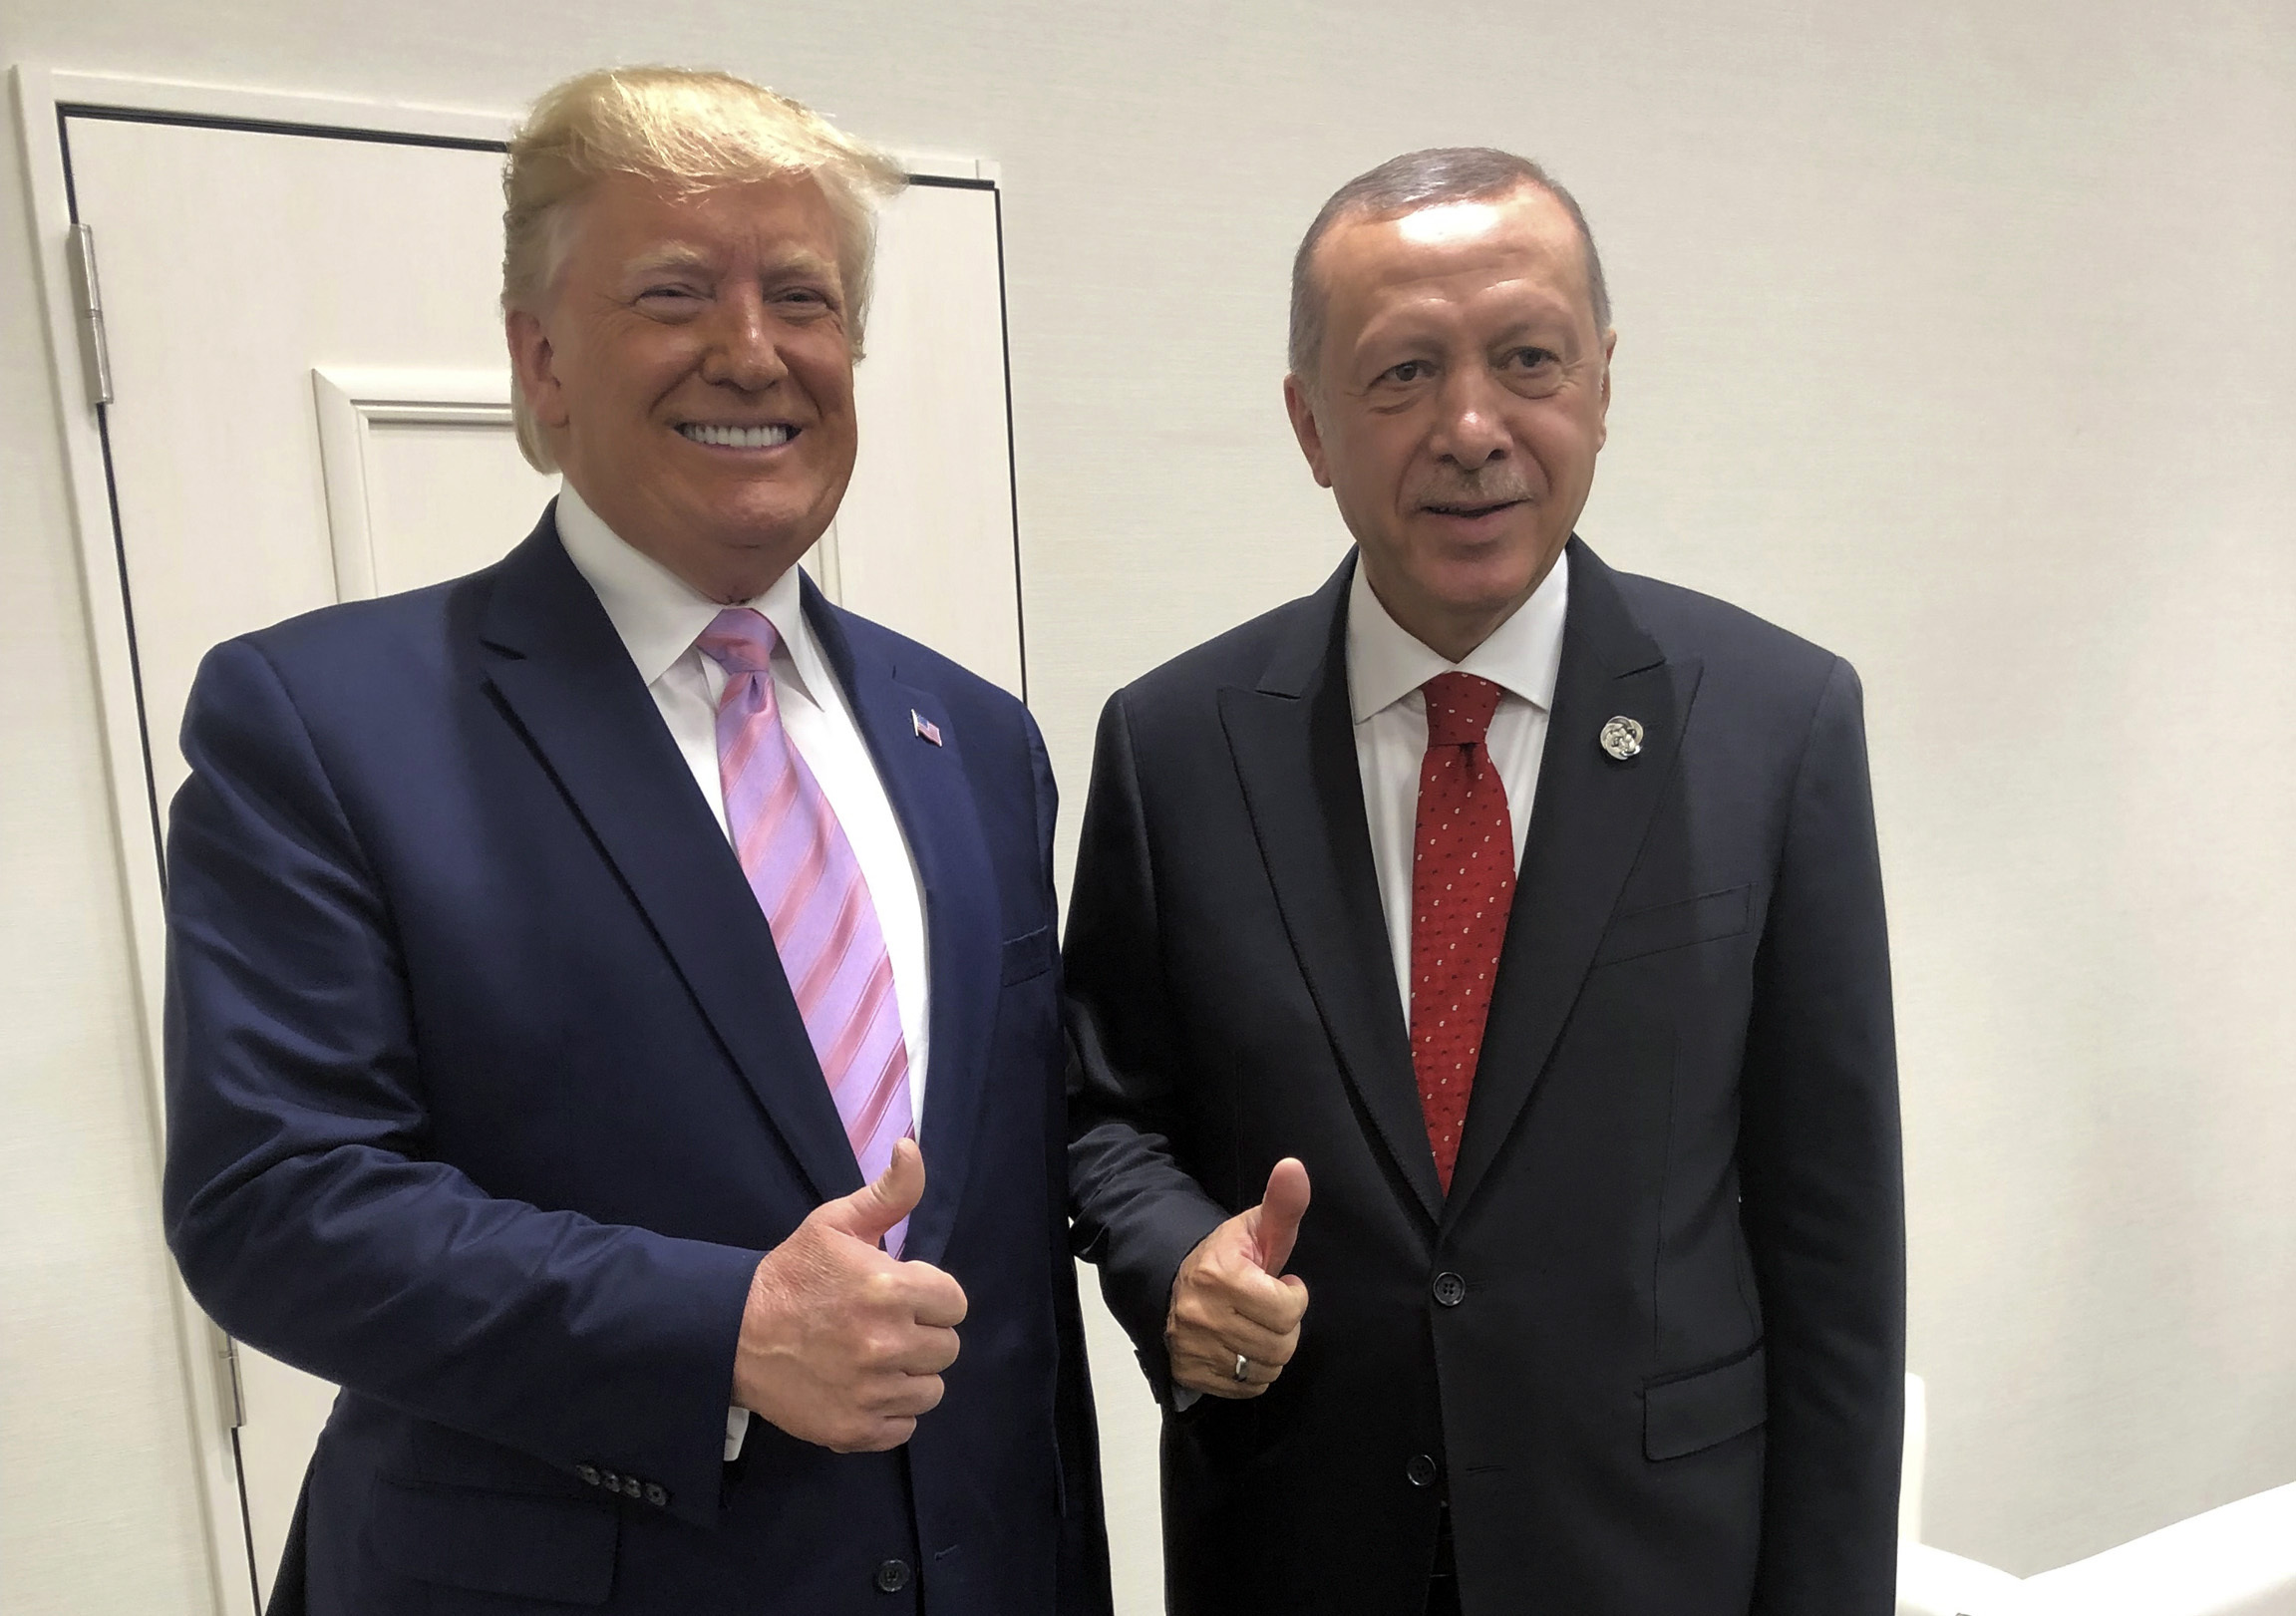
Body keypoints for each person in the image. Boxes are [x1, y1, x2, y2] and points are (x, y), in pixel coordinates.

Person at [163, 67, 1108, 1616]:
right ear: (540, 363)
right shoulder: (323, 723)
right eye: (675, 292)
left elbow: (1010, 1196)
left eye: (801, 296)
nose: (754, 349)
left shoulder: (977, 738)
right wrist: (725, 1326)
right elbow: (276, 1201)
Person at [1066, 148, 1903, 1616]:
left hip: (1654, 1558)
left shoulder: (1776, 725)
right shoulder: (1177, 745)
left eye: (1528, 359)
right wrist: (1175, 1261)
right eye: (1402, 374)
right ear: (1310, 425)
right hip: (1298, 1548)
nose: (1472, 430)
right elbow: (1102, 1113)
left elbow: (1836, 1250)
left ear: (1602, 384)